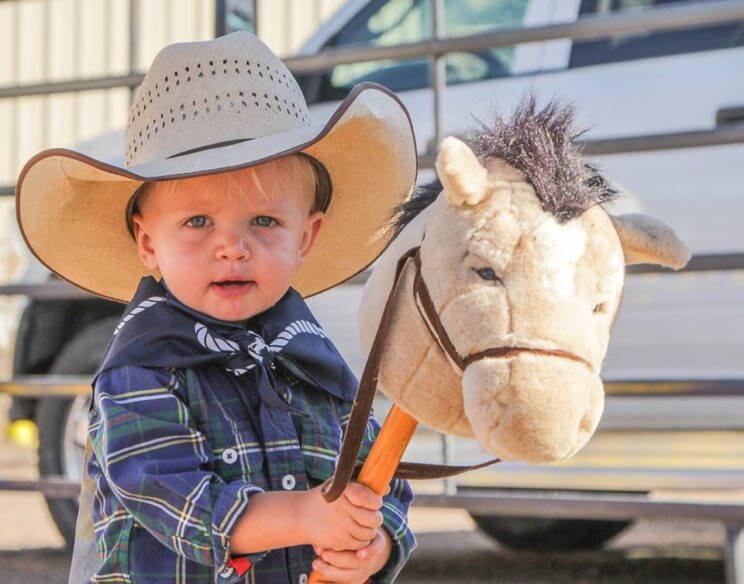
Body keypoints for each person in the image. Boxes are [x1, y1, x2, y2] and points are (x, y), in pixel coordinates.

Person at [14, 30, 418, 583]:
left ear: (306, 236)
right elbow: (182, 505)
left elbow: (380, 481)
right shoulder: (140, 371)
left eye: (265, 221)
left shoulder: (312, 358)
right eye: (198, 222)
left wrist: (372, 544)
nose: (233, 247)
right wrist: (306, 516)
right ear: (149, 242)